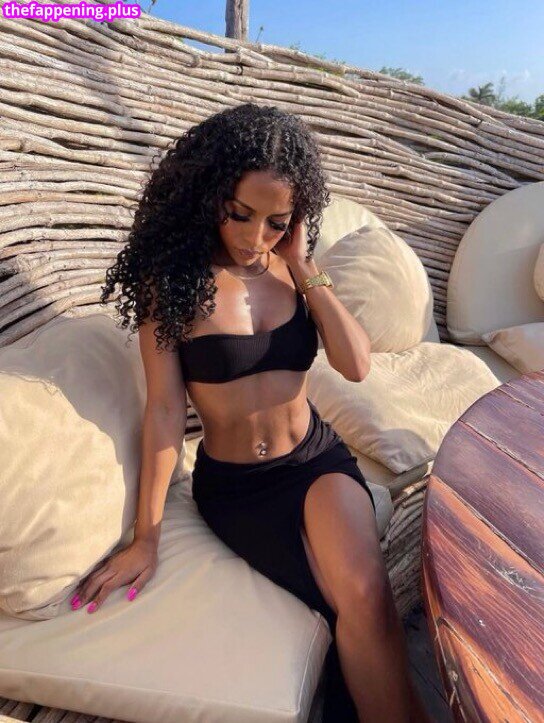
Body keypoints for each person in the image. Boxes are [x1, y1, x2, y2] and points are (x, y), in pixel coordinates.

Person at [70, 103, 432, 723]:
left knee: (366, 596)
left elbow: (355, 365)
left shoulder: (293, 270)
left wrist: (305, 265)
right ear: (210, 192)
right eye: (239, 214)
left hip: (315, 460)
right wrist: (146, 537)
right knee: (339, 603)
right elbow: (164, 411)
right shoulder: (174, 283)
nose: (253, 237)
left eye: (275, 223)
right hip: (238, 489)